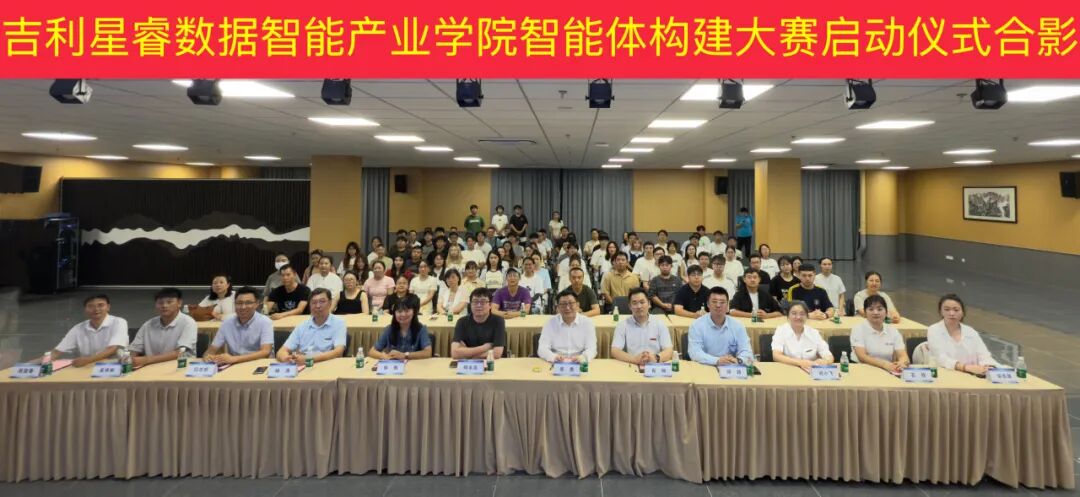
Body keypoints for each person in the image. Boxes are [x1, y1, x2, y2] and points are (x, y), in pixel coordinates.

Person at [927, 294, 999, 375]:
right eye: (947, 309)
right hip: (944, 376)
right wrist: (966, 367)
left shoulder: (971, 332)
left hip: (971, 376)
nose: (951, 313)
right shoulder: (933, 330)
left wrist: (988, 366)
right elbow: (940, 358)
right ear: (941, 312)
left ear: (962, 313)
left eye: (956, 310)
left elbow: (984, 355)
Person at [51, 294, 129, 367]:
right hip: (87, 367)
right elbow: (57, 351)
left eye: (100, 305)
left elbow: (112, 349)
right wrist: (45, 361)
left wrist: (88, 360)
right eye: (90, 306)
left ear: (108, 307)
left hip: (114, 366)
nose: (96, 309)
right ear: (85, 309)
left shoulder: (119, 322)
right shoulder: (78, 328)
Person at [130, 287, 198, 368]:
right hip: (151, 368)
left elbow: (179, 353)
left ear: (179, 303)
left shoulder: (188, 323)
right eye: (160, 303)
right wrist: (130, 359)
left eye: (169, 302)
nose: (164, 306)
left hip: (179, 368)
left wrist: (147, 359)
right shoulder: (148, 325)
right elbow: (134, 350)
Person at [204, 286, 274, 364]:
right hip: (234, 365)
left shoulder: (265, 322)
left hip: (258, 363)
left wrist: (235, 359)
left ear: (257, 304)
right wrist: (208, 356)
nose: (243, 307)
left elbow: (265, 351)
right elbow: (212, 350)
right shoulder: (227, 323)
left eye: (248, 303)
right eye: (239, 303)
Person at [276, 288, 346, 364]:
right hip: (303, 365)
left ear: (330, 303)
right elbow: (281, 351)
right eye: (314, 302)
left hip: (326, 364)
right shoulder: (302, 326)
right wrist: (286, 358)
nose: (318, 306)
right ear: (309, 305)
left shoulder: (338, 323)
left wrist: (309, 359)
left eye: (322, 301)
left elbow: (338, 352)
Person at [688, 287, 753, 366]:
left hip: (731, 367)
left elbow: (747, 351)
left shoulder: (738, 325)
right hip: (706, 367)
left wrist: (738, 360)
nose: (718, 305)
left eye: (722, 302)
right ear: (708, 304)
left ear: (728, 305)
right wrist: (717, 360)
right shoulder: (696, 325)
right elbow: (695, 352)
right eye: (714, 302)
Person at [610, 288, 674, 366]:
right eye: (635, 303)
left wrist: (656, 358)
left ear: (649, 304)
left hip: (654, 365)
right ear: (629, 306)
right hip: (632, 364)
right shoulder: (622, 325)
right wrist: (634, 359)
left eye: (642, 302)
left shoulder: (659, 323)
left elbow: (669, 350)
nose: (639, 306)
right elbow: (615, 350)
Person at [851, 294, 910, 373]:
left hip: (888, 369)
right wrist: (884, 365)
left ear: (886, 312)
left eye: (880, 309)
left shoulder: (893, 330)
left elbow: (903, 356)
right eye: (871, 309)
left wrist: (902, 363)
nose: (875, 312)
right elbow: (862, 357)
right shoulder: (858, 329)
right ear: (865, 313)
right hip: (862, 369)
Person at [771, 301, 834, 372]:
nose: (798, 317)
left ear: (807, 316)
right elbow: (776, 355)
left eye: (802, 314)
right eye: (794, 313)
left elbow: (828, 355)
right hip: (788, 371)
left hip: (810, 372)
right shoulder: (781, 331)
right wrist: (801, 363)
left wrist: (825, 361)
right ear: (788, 316)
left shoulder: (813, 333)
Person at [537, 289, 598, 362]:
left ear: (577, 305)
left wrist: (582, 358)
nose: (567, 307)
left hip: (580, 362)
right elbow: (542, 348)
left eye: (571, 303)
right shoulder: (550, 323)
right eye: (563, 304)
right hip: (556, 362)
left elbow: (592, 348)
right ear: (558, 307)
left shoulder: (587, 323)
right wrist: (554, 357)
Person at [451, 288, 507, 359]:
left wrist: (466, 353)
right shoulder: (462, 321)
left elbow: (497, 354)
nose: (479, 305)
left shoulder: (498, 321)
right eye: (475, 302)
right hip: (468, 364)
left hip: (492, 363)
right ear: (470, 304)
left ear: (490, 305)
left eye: (483, 302)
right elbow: (454, 353)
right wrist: (485, 347)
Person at [369, 300, 433, 360]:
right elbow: (372, 351)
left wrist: (405, 355)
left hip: (414, 365)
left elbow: (428, 353)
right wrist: (384, 356)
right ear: (394, 314)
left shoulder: (421, 329)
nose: (403, 314)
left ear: (413, 312)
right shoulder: (389, 329)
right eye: (399, 311)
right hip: (393, 366)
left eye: (407, 311)